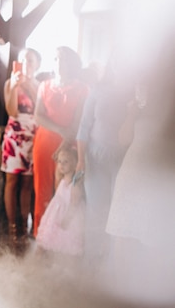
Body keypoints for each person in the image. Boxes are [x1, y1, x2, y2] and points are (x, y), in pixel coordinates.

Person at [75, 63, 133, 262]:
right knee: (95, 209)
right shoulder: (98, 90)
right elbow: (83, 127)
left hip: (123, 160)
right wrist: (81, 160)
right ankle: (90, 260)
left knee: (116, 213)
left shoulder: (135, 92)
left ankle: (110, 264)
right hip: (94, 158)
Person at [32, 46, 88, 238]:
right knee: (42, 190)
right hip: (44, 141)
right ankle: (41, 237)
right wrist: (59, 130)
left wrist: (65, 142)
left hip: (68, 145)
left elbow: (79, 121)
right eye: (56, 59)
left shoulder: (82, 89)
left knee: (64, 193)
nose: (59, 63)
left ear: (71, 63)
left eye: (63, 59)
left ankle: (59, 241)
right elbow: (38, 115)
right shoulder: (44, 85)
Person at [0, 47, 41, 247]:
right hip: (14, 136)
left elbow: (42, 109)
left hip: (33, 136)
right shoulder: (10, 82)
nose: (27, 64)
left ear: (37, 65)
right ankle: (12, 227)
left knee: (27, 183)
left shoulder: (40, 86)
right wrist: (15, 87)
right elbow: (11, 111)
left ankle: (24, 225)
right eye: (24, 60)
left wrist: (30, 87)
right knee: (11, 181)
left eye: (31, 61)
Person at [36, 141, 86, 256]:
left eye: (66, 162)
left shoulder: (75, 185)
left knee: (64, 245)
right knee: (48, 242)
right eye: (59, 162)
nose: (61, 165)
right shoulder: (62, 181)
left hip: (67, 220)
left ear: (74, 164)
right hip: (56, 217)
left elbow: (74, 204)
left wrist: (66, 220)